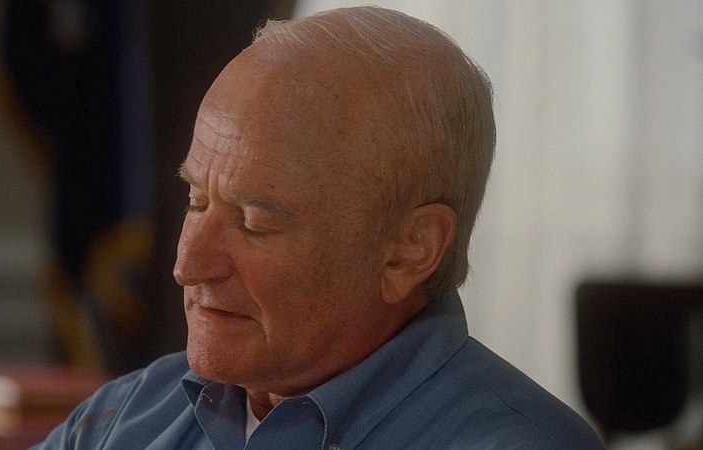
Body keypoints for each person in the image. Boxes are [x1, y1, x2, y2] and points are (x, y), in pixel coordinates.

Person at [32, 6, 605, 449]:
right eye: (196, 200)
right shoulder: (124, 418)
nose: (188, 265)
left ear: (410, 250)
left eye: (254, 222)